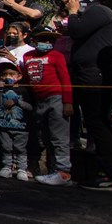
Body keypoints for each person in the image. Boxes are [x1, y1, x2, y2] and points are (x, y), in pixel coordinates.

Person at [65, 0, 112, 190]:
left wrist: (72, 13)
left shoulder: (101, 11)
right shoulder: (90, 14)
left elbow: (76, 30)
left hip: (96, 73)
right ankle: (103, 169)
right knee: (92, 121)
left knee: (98, 121)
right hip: (84, 72)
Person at [22, 28, 74, 186]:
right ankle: (53, 170)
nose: (47, 43)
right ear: (35, 41)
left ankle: (63, 172)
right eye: (43, 39)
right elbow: (25, 78)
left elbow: (65, 78)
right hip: (39, 100)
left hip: (56, 98)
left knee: (59, 137)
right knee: (45, 137)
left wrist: (68, 102)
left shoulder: (56, 56)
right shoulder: (27, 56)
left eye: (50, 40)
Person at [0, 63, 34, 180]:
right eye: (4, 74)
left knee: (20, 148)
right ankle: (7, 166)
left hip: (21, 125)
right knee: (6, 146)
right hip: (3, 124)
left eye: (11, 74)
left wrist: (17, 102)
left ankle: (22, 168)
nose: (8, 76)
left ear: (18, 76)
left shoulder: (24, 90)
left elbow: (30, 107)